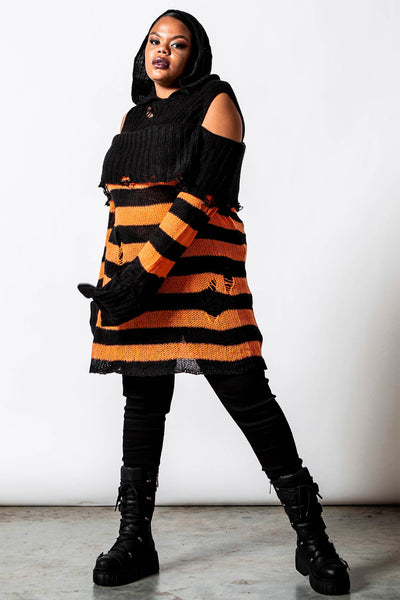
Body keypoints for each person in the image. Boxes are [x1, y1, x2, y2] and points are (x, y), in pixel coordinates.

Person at [77, 8, 350, 596]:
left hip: (201, 286)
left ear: (194, 56)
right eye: (154, 41)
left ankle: (314, 540)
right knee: (142, 406)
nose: (162, 51)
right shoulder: (131, 117)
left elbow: (200, 199)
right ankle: (134, 539)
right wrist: (111, 284)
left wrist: (142, 276)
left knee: (250, 400)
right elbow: (119, 212)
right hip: (137, 287)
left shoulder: (217, 101)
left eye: (177, 44)